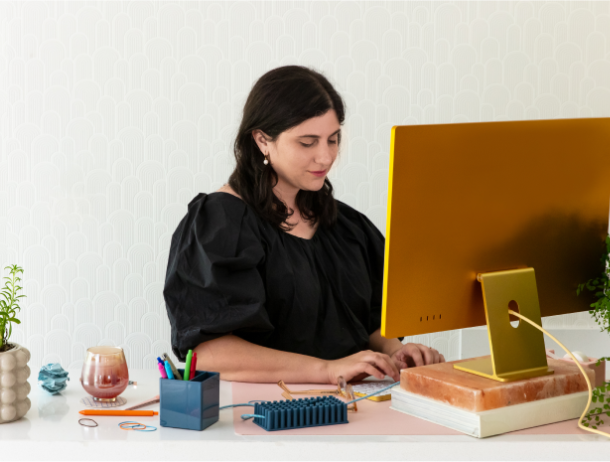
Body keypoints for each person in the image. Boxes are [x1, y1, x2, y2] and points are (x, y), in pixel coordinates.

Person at [163, 65, 444, 384]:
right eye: (308, 143)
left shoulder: (346, 225)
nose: (325, 157)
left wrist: (394, 352)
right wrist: (327, 370)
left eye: (333, 140)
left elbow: (371, 321)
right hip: (259, 416)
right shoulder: (219, 223)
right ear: (262, 140)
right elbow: (211, 354)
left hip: (356, 406)